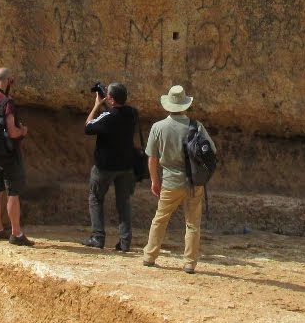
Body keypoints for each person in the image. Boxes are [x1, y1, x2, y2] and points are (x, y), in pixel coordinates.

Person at [142, 85, 214, 275]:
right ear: (185, 105)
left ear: (168, 105)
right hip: (193, 182)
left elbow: (152, 158)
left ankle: (150, 256)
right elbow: (211, 151)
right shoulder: (196, 126)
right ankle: (189, 263)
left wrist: (154, 180)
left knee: (160, 219)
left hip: (170, 181)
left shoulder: (158, 127)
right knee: (192, 224)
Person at [82, 82, 138, 251]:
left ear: (111, 99)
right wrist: (108, 104)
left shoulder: (108, 116)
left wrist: (96, 105)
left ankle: (98, 237)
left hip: (105, 167)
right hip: (126, 166)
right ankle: (125, 242)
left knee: (95, 199)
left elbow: (88, 126)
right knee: (123, 203)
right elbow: (117, 113)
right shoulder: (133, 113)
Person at [0, 67, 33, 246]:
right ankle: (16, 233)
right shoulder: (7, 102)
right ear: (8, 81)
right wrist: (23, 131)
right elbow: (11, 131)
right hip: (9, 152)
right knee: (13, 191)